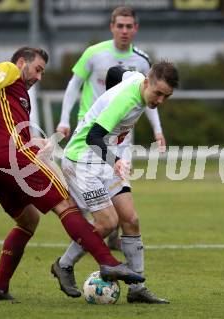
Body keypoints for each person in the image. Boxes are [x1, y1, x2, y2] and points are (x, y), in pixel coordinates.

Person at [0, 47, 144, 301]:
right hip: (9, 153)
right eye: (37, 69)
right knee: (66, 205)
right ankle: (107, 261)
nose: (39, 77)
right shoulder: (9, 70)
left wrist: (39, 144)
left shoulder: (18, 96)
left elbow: (10, 127)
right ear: (21, 62)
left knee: (28, 221)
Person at [51, 61, 179, 304]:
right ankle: (63, 265)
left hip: (104, 159)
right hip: (82, 161)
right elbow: (93, 136)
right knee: (108, 222)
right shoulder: (125, 102)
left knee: (130, 219)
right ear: (147, 82)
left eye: (166, 96)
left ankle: (137, 289)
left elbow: (115, 72)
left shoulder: (136, 78)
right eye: (158, 93)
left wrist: (108, 92)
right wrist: (116, 160)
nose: (160, 101)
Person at [56, 6, 166, 250]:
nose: (124, 31)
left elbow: (151, 98)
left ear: (135, 28)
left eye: (129, 26)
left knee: (120, 192)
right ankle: (91, 232)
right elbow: (74, 85)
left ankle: (108, 234)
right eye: (120, 26)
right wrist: (65, 119)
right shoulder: (94, 53)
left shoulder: (142, 60)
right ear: (112, 27)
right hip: (92, 129)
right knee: (93, 195)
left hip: (121, 136)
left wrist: (158, 130)